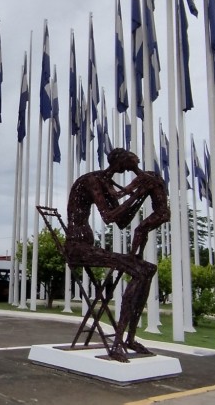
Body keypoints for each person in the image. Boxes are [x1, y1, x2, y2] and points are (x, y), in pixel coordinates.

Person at [64, 147, 169, 360]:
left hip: (88, 246)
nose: (135, 167)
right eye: (132, 164)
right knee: (139, 271)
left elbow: (122, 221)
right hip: (77, 247)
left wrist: (143, 194)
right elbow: (110, 217)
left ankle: (129, 338)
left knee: (148, 269)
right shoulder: (93, 180)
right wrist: (138, 193)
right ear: (121, 163)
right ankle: (118, 342)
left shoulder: (107, 183)